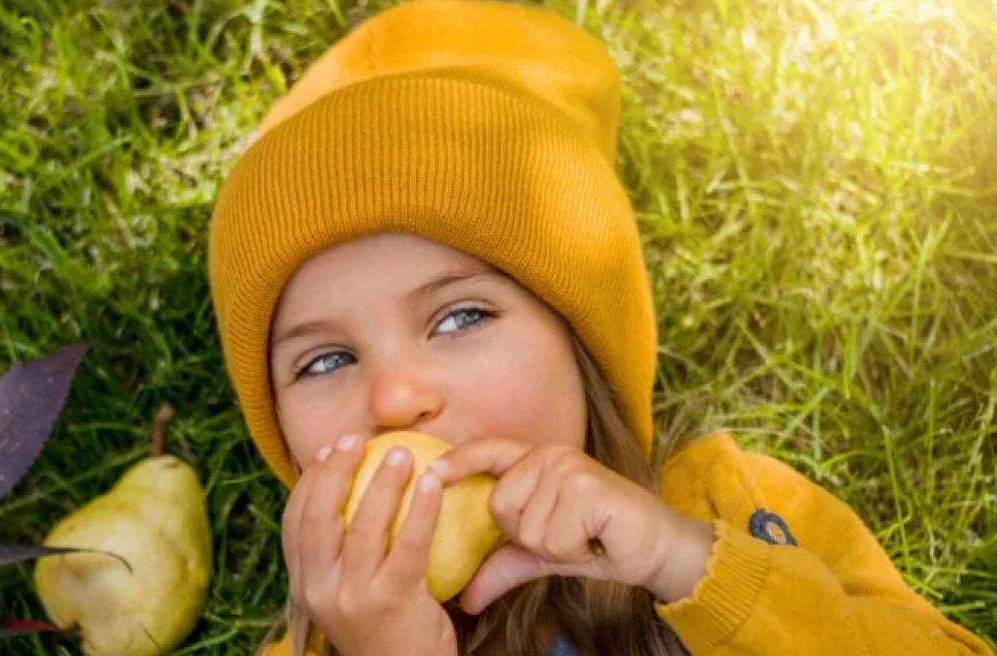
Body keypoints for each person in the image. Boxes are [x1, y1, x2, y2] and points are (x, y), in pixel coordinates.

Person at [205, 1, 995, 654]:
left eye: (461, 317)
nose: (394, 399)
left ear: (581, 339)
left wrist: (685, 561)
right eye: (324, 361)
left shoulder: (728, 515)